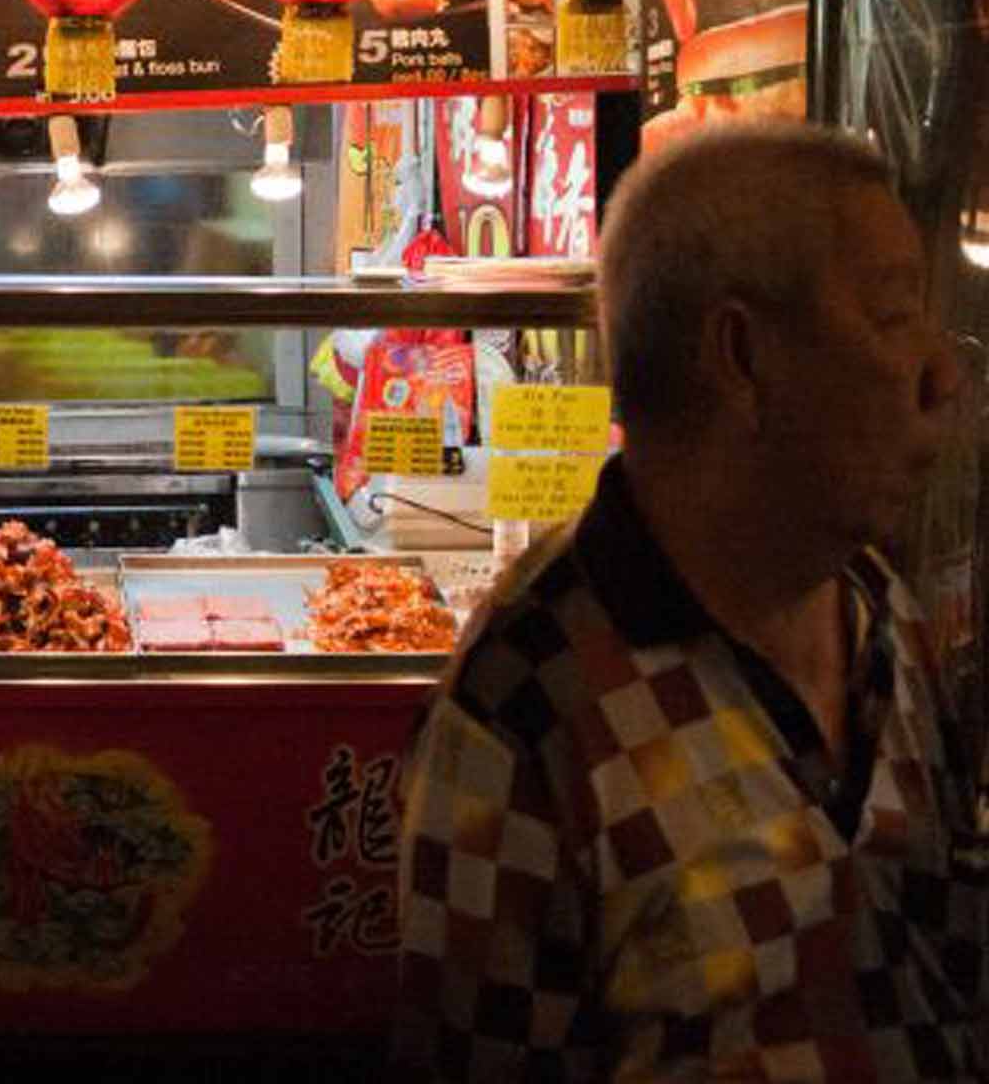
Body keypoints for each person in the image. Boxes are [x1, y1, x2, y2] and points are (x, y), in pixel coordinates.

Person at [394, 122, 979, 1080]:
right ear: (742, 358)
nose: (940, 373)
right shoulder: (525, 710)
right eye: (890, 315)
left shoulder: (886, 613)